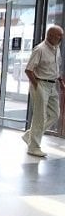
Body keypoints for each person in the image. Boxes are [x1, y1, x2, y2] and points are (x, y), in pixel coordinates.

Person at [23, 25, 65, 157]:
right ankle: (33, 147)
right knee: (39, 117)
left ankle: (30, 135)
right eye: (59, 35)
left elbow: (55, 68)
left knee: (54, 115)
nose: (61, 38)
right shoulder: (40, 49)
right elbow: (29, 70)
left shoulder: (56, 49)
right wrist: (37, 86)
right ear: (50, 35)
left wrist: (61, 81)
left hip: (52, 85)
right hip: (41, 83)